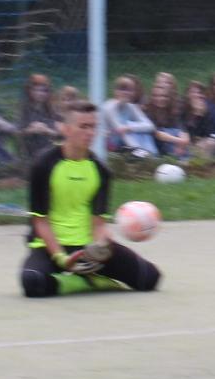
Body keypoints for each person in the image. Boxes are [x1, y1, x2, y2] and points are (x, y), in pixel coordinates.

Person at [20, 99, 161, 298]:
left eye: (93, 127)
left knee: (149, 278)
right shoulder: (43, 165)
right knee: (32, 281)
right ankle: (81, 282)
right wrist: (62, 259)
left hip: (88, 249)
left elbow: (98, 223)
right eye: (83, 126)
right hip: (49, 248)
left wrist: (99, 248)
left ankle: (89, 277)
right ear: (66, 129)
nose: (90, 132)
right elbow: (40, 222)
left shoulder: (101, 170)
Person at [102, 75, 158, 156]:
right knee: (130, 128)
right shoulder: (109, 107)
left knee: (140, 130)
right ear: (115, 91)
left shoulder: (131, 107)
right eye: (122, 89)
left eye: (129, 90)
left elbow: (150, 126)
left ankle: (153, 155)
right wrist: (137, 150)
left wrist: (130, 127)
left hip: (123, 142)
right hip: (108, 142)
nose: (126, 93)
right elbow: (120, 131)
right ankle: (143, 155)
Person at [18, 74, 61, 159]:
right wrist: (31, 130)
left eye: (44, 91)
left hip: (51, 147)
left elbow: (60, 136)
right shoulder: (24, 110)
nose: (40, 94)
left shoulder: (51, 109)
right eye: (36, 90)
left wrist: (47, 130)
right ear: (30, 91)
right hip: (33, 152)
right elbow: (17, 133)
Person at [145, 84, 190, 160]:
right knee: (167, 131)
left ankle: (184, 160)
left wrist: (183, 143)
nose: (160, 99)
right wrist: (180, 141)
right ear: (152, 97)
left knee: (176, 132)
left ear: (169, 97)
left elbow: (183, 130)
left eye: (164, 96)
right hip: (155, 144)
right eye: (156, 96)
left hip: (173, 144)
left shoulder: (172, 112)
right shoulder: (148, 112)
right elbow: (157, 134)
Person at [181, 80, 215, 158]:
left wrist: (200, 115)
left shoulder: (206, 111)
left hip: (200, 144)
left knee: (211, 142)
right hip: (182, 142)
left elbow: (208, 134)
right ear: (187, 94)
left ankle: (201, 163)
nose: (197, 95)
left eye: (199, 93)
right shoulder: (181, 108)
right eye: (193, 92)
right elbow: (182, 128)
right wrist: (194, 117)